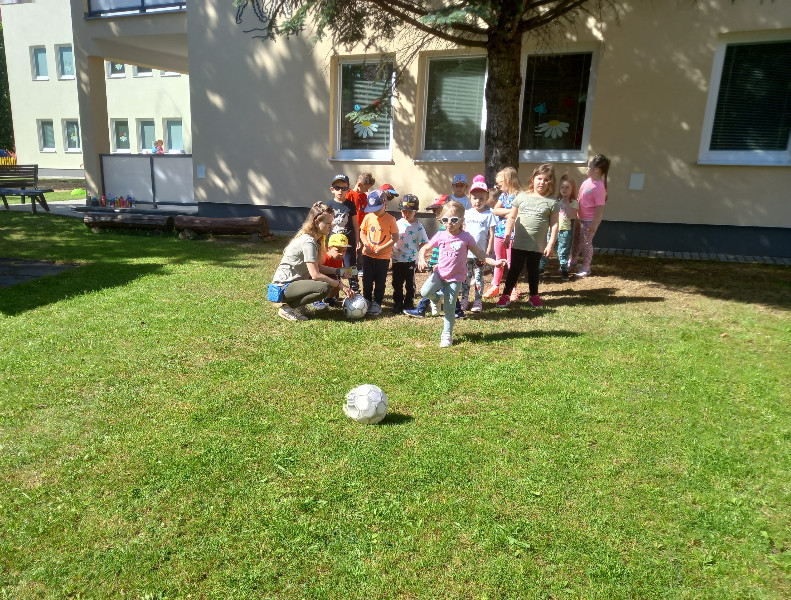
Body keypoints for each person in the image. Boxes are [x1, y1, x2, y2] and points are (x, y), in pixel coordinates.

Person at [410, 200, 506, 347]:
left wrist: (495, 262)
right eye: (445, 220)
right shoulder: (441, 234)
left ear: (461, 220)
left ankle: (447, 334)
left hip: (455, 278)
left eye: (454, 220)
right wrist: (422, 258)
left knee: (449, 307)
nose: (449, 223)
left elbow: (480, 253)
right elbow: (425, 248)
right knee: (425, 291)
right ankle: (437, 299)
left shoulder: (466, 237)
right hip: (439, 273)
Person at [270, 202, 353, 321]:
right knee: (324, 287)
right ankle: (287, 308)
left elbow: (318, 267)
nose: (331, 227)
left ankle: (299, 306)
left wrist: (339, 271)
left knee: (328, 281)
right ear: (317, 222)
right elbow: (315, 274)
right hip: (282, 288)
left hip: (291, 286)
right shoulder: (308, 242)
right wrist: (340, 285)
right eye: (328, 223)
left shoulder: (314, 241)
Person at [496, 163, 560, 309]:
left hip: (537, 245)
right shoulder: (522, 196)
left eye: (546, 180)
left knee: (533, 270)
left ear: (551, 182)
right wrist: (507, 235)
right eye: (539, 178)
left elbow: (554, 224)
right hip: (519, 242)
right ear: (533, 179)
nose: (542, 182)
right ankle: (505, 295)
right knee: (514, 269)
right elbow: (512, 217)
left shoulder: (552, 202)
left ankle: (534, 296)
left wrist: (550, 244)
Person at [405, 195, 464, 319]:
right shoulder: (443, 229)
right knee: (439, 288)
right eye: (435, 212)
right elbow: (433, 247)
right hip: (437, 265)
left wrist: (439, 264)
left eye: (439, 212)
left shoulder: (453, 231)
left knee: (444, 288)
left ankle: (422, 309)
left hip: (444, 267)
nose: (437, 215)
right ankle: (456, 311)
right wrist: (428, 260)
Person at [483, 166, 523, 300]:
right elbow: (495, 210)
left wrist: (506, 213)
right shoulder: (503, 195)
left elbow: (519, 213)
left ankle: (513, 288)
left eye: (500, 184)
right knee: (498, 261)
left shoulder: (519, 196)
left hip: (513, 234)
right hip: (500, 233)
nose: (498, 187)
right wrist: (511, 212)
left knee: (512, 263)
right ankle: (495, 286)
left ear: (509, 181)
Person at [460, 175, 497, 313]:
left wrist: (488, 251)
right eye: (475, 198)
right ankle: (464, 299)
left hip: (480, 253)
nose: (478, 201)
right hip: (466, 253)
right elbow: (463, 231)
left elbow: (491, 234)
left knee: (478, 277)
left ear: (486, 198)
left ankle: (477, 300)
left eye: (481, 198)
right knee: (465, 277)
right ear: (470, 198)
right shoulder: (467, 214)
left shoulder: (489, 215)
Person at [360, 190, 399, 315]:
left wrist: (382, 248)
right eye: (372, 209)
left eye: (377, 208)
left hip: (383, 257)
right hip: (368, 255)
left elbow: (395, 237)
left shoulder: (391, 219)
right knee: (367, 280)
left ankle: (377, 302)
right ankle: (367, 300)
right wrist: (366, 244)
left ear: (385, 205)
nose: (374, 211)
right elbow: (362, 232)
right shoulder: (368, 217)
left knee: (380, 282)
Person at [391, 194, 428, 314]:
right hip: (397, 259)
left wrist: (419, 253)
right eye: (404, 211)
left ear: (415, 211)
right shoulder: (397, 223)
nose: (406, 214)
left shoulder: (418, 226)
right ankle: (397, 303)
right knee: (396, 283)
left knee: (410, 284)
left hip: (410, 260)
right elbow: (392, 238)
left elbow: (424, 242)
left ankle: (408, 303)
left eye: (409, 212)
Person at [575, 154, 610, 278]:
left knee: (586, 243)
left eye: (589, 166)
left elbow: (600, 207)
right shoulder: (587, 181)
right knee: (576, 240)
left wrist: (594, 224)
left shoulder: (599, 186)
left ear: (596, 169)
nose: (586, 168)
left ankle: (586, 267)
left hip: (589, 220)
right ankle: (573, 260)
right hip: (580, 218)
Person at [539, 174, 579, 281]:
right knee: (547, 248)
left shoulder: (574, 202)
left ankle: (564, 270)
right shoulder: (556, 201)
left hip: (565, 231)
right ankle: (541, 268)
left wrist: (566, 203)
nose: (564, 190)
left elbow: (572, 215)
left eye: (567, 187)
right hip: (553, 230)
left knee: (563, 251)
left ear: (572, 189)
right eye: (562, 187)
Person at [326, 173, 360, 291]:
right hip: (333, 242)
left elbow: (355, 224)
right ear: (332, 189)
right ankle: (333, 291)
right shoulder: (329, 205)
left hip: (348, 242)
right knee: (333, 265)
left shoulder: (350, 205)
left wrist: (357, 240)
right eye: (337, 188)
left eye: (344, 188)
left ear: (348, 190)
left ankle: (354, 288)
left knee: (349, 264)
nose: (340, 191)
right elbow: (326, 223)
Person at [322, 233, 352, 306]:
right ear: (329, 248)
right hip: (320, 280)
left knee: (338, 283)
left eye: (344, 251)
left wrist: (344, 274)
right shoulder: (323, 258)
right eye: (338, 250)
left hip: (330, 280)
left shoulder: (338, 259)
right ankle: (316, 300)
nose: (341, 254)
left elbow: (336, 273)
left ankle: (329, 299)